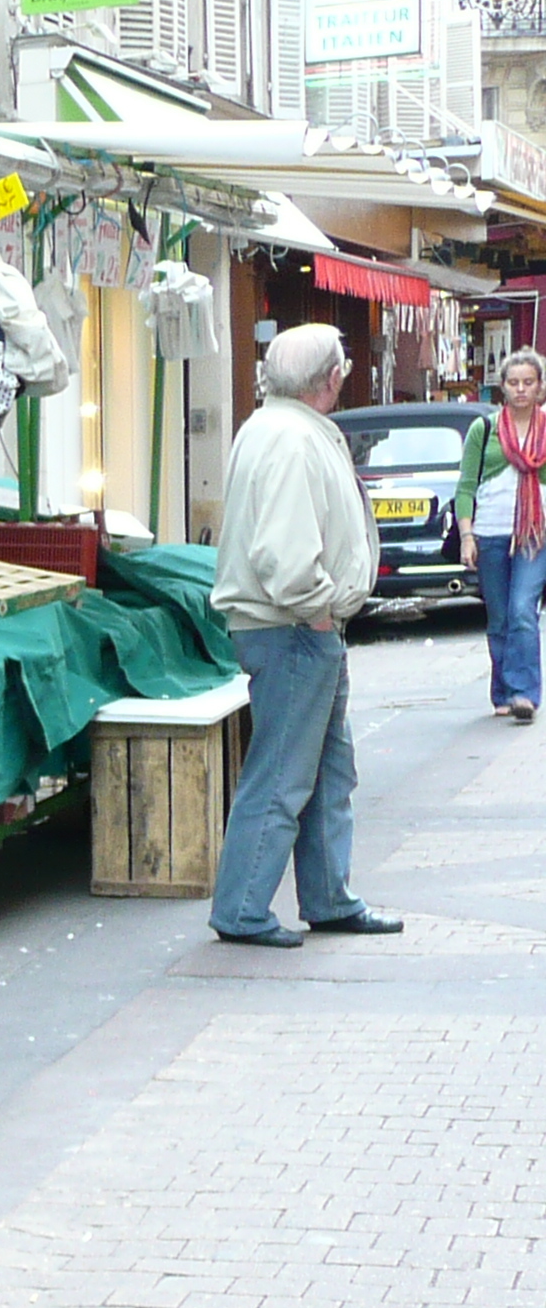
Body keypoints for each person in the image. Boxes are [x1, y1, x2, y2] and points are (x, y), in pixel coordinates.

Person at [205, 324, 400, 947]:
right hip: (292, 628)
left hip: (301, 627)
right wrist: (317, 611)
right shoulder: (289, 437)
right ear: (330, 378)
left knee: (326, 771)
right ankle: (241, 909)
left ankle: (329, 896)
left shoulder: (279, 427)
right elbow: (285, 554)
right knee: (286, 773)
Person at [452, 346, 546, 724]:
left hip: (534, 534)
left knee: (523, 609)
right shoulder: (485, 429)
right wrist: (467, 536)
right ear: (502, 387)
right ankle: (503, 691)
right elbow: (465, 488)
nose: (521, 389)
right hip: (489, 532)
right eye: (513, 382)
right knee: (500, 617)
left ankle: (524, 691)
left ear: (540, 387)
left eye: (528, 382)